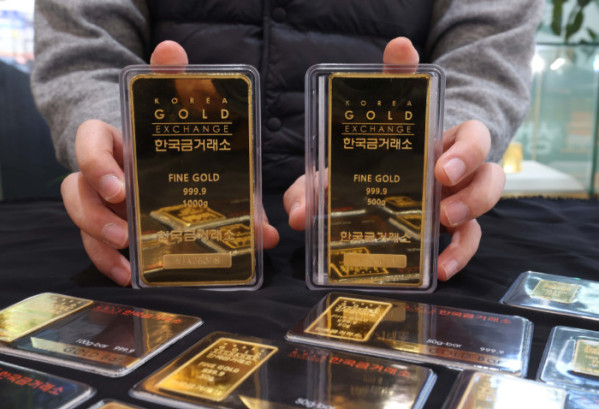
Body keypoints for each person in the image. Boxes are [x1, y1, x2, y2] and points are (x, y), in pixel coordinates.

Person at [31, 0, 544, 286]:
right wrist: (124, 152)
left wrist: (429, 157)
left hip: (396, 224)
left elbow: (484, 59)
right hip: (153, 224)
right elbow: (86, 53)